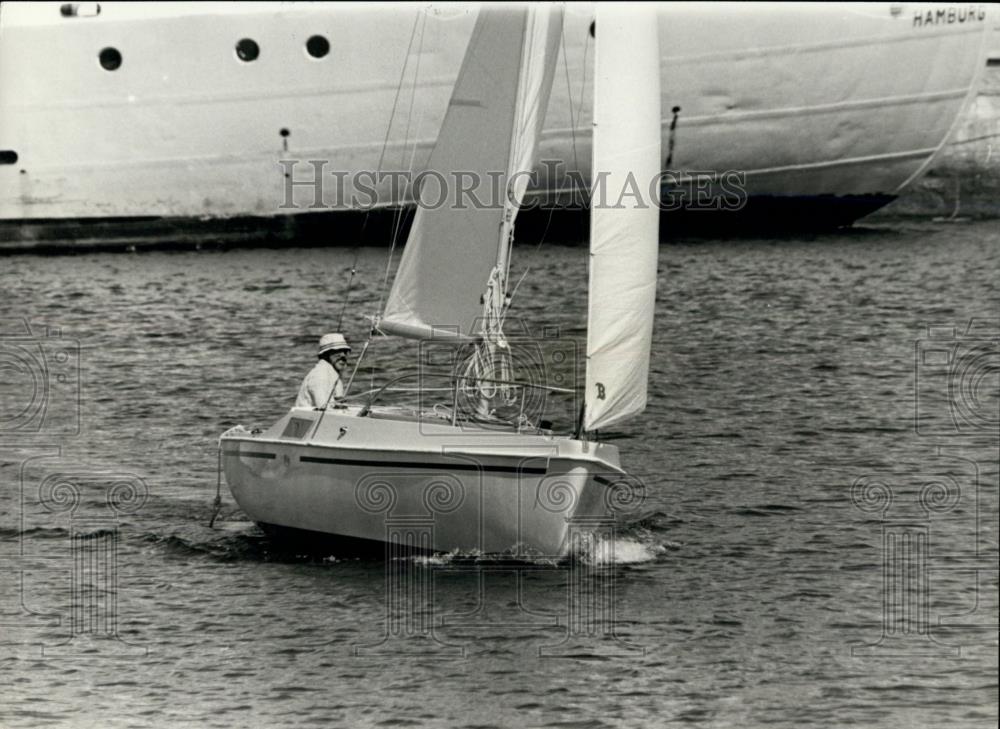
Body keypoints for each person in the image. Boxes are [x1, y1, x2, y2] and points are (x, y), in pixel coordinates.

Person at [294, 332, 351, 409]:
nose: (343, 355)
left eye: (345, 351)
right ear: (325, 355)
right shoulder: (320, 375)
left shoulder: (334, 374)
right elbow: (323, 409)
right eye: (338, 351)